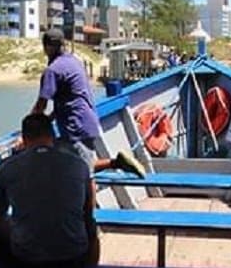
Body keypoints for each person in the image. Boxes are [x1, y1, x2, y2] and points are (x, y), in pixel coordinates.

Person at [0, 113, 101, 268]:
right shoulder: (79, 165)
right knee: (92, 228)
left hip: (25, 262)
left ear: (24, 138)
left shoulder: (8, 169)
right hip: (74, 260)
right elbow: (88, 213)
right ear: (52, 135)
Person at [33, 28, 146, 177]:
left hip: (75, 128)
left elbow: (41, 105)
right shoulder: (74, 62)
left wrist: (27, 130)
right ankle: (117, 162)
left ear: (47, 47)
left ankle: (89, 200)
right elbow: (69, 99)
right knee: (75, 166)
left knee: (86, 175)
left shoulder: (53, 70)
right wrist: (49, 119)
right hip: (86, 122)